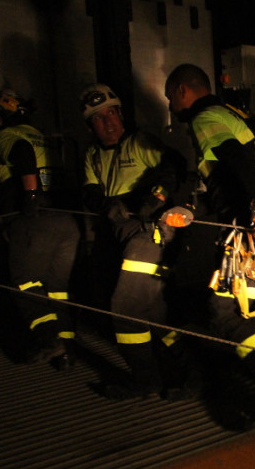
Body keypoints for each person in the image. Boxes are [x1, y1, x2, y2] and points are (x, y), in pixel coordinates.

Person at [163, 63, 255, 431]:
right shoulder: (236, 112)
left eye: (169, 98)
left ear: (181, 91)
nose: (170, 107)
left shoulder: (205, 117)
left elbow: (234, 157)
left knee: (223, 313)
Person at [79, 83, 199, 400]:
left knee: (124, 306)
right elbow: (90, 192)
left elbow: (173, 167)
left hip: (149, 234)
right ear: (90, 125)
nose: (108, 123)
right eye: (98, 119)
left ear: (120, 114)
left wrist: (153, 198)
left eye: (112, 114)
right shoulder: (92, 154)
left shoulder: (138, 143)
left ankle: (146, 379)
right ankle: (192, 373)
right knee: (153, 313)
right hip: (119, 235)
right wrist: (106, 205)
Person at [0, 89, 80, 369]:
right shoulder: (41, 136)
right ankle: (67, 348)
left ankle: (49, 341)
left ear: (1, 116)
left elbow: (23, 155)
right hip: (64, 219)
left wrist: (29, 197)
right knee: (57, 288)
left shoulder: (7, 136)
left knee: (26, 283)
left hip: (34, 220)